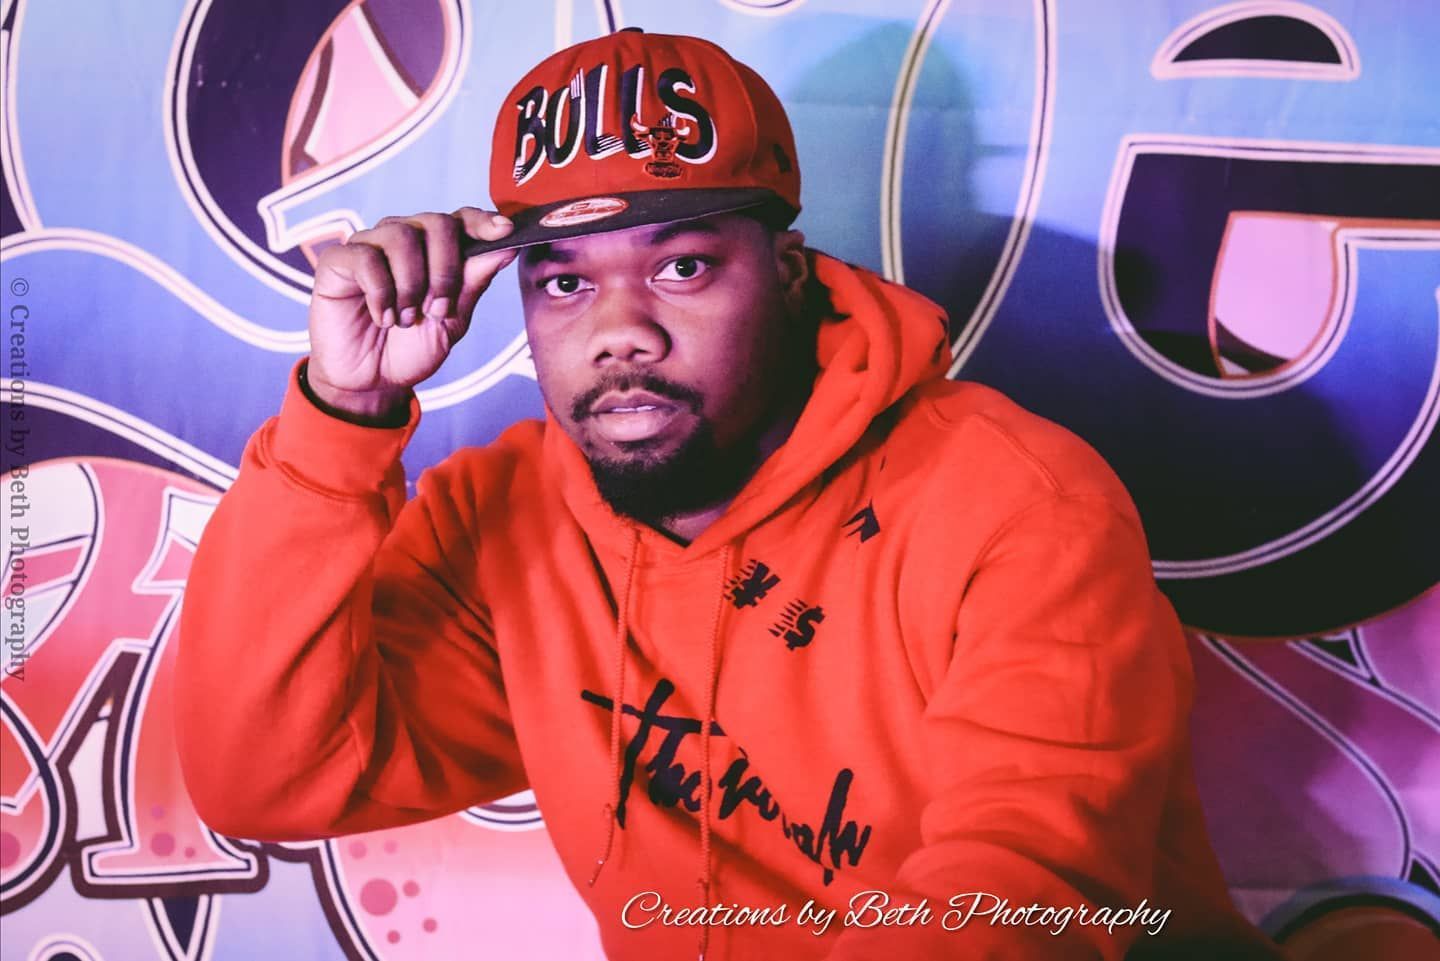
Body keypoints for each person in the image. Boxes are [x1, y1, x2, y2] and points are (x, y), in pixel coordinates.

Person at [176, 27, 1286, 961]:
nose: (619, 331)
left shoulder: (1016, 500)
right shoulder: (506, 515)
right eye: (564, 280)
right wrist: (342, 410)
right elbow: (264, 780)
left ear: (791, 274)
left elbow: (1013, 898)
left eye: (682, 266)